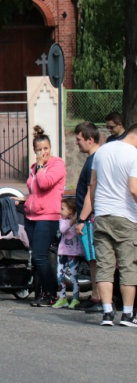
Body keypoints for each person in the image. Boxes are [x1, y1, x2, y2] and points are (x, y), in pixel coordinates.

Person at [89, 124, 137, 326]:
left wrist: (95, 208)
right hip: (125, 216)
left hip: (102, 214)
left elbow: (93, 183)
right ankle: (127, 314)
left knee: (105, 266)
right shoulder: (134, 155)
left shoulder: (102, 151)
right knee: (128, 266)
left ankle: (107, 312)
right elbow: (134, 189)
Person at [16, 126, 66, 307]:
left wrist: (42, 167)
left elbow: (45, 184)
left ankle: (52, 293)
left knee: (39, 256)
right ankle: (43, 292)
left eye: (45, 149)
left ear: (50, 148)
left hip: (48, 216)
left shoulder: (56, 164)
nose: (43, 152)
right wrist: (23, 201)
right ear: (34, 150)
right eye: (39, 150)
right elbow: (34, 190)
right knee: (37, 256)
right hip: (32, 216)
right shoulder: (33, 168)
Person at [72, 121, 102, 311]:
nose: (77, 143)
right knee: (93, 260)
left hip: (90, 218)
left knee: (94, 260)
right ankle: (95, 296)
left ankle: (99, 298)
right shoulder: (94, 158)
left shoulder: (95, 159)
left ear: (90, 139)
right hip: (87, 216)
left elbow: (92, 192)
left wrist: (82, 219)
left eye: (79, 139)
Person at [55, 198, 83, 309]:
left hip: (74, 254)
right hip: (63, 253)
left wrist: (76, 219)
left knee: (73, 277)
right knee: (59, 276)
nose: (60, 211)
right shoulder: (63, 221)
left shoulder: (78, 223)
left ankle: (75, 299)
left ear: (70, 210)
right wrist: (73, 219)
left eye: (62, 209)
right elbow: (62, 229)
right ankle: (62, 298)